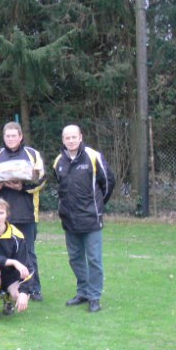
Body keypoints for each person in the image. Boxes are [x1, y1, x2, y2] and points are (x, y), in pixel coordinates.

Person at [53, 125, 115, 312]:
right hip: (69, 220)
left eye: (74, 137)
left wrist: (97, 205)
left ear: (80, 137)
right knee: (75, 258)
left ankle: (94, 297)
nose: (71, 140)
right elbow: (60, 187)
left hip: (91, 219)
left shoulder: (93, 156)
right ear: (63, 140)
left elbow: (108, 183)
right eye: (67, 138)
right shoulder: (58, 161)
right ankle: (83, 292)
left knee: (94, 260)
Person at [0, 122, 46, 301]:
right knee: (2, 252)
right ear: (4, 137)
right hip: (0, 215)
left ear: (20, 137)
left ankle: (33, 288)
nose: (10, 139)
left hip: (26, 212)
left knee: (28, 252)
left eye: (14, 136)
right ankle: (4, 287)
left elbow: (42, 180)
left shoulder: (32, 154)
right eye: (7, 136)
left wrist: (22, 187)